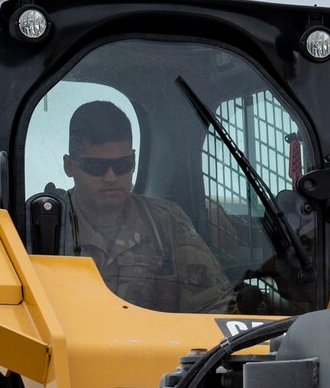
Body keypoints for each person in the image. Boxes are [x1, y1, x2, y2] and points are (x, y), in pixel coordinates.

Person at [60, 100, 235, 313]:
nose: (111, 177)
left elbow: (216, 306)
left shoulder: (166, 222)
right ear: (69, 166)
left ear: (133, 159)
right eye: (96, 167)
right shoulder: (44, 226)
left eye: (122, 165)